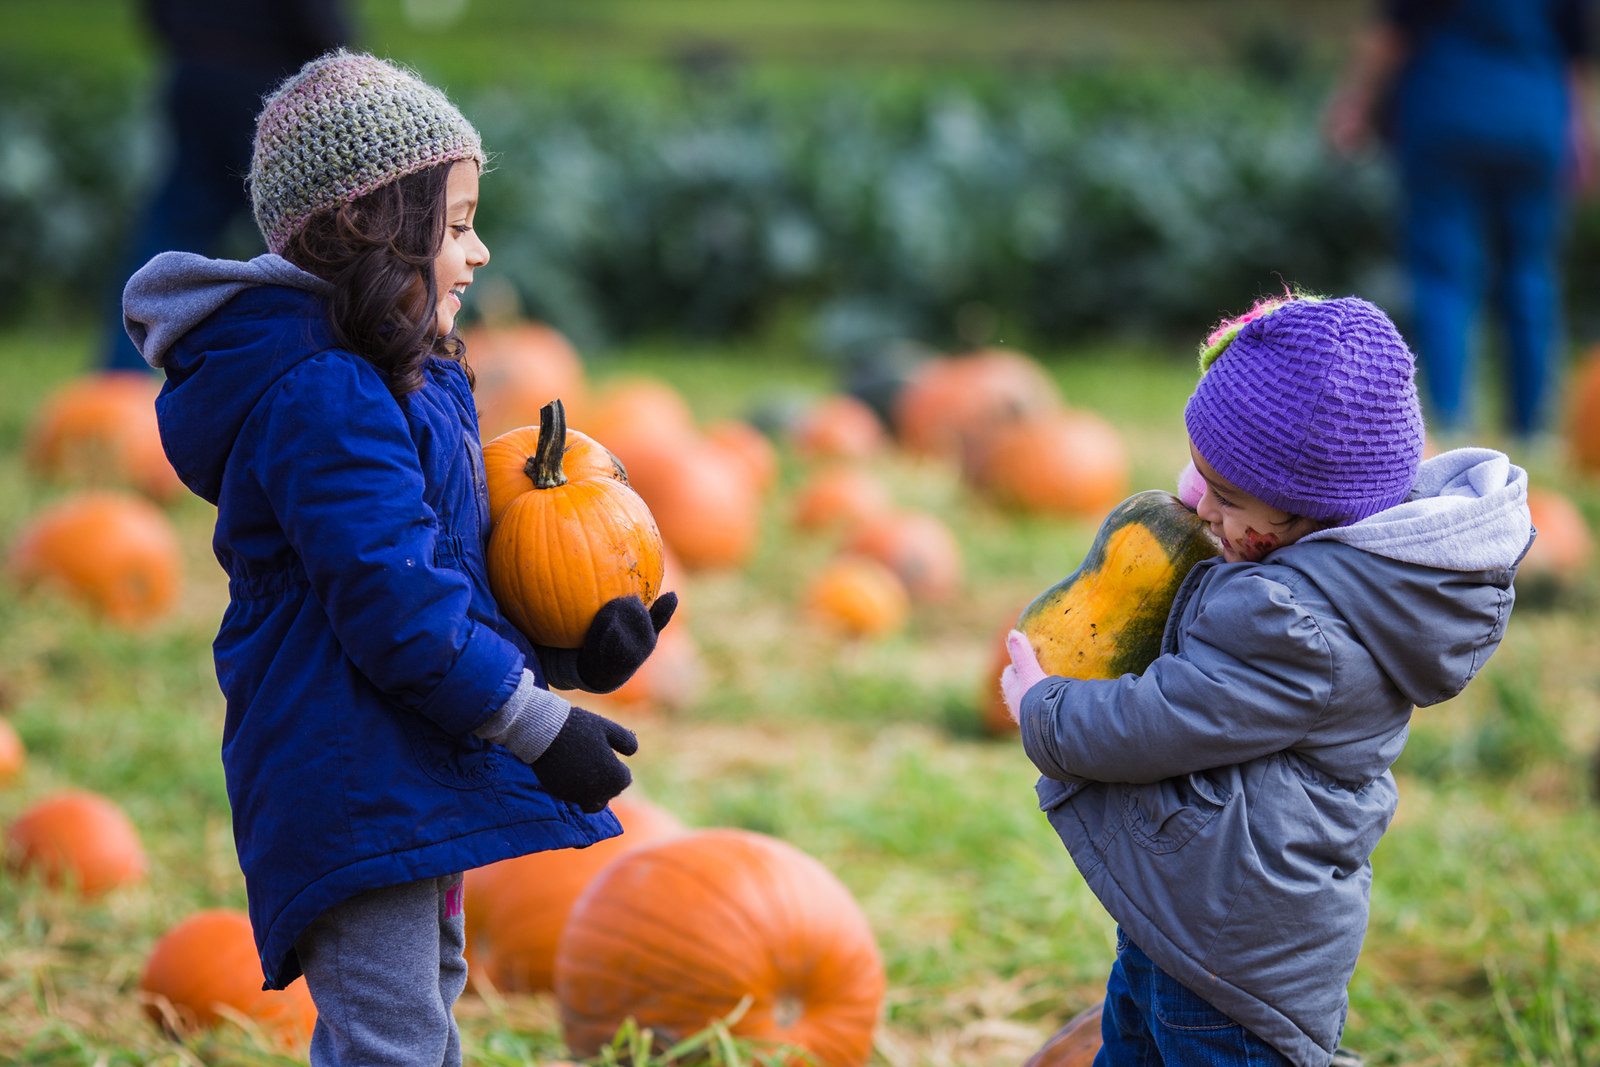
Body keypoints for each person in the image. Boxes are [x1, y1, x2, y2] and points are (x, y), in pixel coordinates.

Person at [121, 51, 676, 1066]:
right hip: (347, 774)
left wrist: (563, 654)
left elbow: (439, 581)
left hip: (398, 759)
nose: (480, 252)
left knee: (423, 1004)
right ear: (372, 229)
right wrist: (535, 722)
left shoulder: (382, 375)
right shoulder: (324, 395)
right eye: (456, 224)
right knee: (395, 1036)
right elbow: (398, 607)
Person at [1001, 293, 1533, 1067]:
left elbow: (1163, 718)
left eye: (1226, 496)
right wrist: (1220, 503)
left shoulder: (1293, 626)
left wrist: (1045, 708)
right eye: (1200, 475)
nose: (1200, 505)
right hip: (1191, 919)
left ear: (1311, 510)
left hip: (1239, 953)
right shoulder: (1306, 570)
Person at [1323, 0, 1597, 450]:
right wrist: (1581, 132)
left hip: (1445, 111)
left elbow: (1394, 31)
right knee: (1529, 276)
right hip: (1533, 116)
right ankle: (1532, 429)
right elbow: (1577, 53)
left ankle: (1449, 419)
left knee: (1441, 279)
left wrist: (1354, 100)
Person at [100, 0, 353, 371]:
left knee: (175, 223)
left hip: (197, 70)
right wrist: (342, 62)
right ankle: (324, 356)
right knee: (304, 234)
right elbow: (318, 19)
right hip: (272, 80)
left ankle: (123, 372)